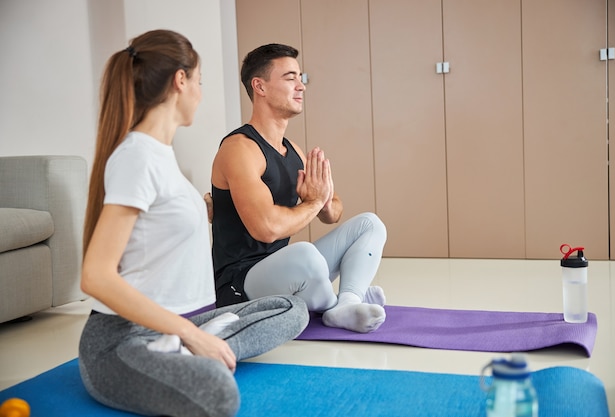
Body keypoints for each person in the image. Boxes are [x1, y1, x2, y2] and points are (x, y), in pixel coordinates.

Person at [78, 31, 309, 417]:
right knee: (218, 393)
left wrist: (208, 204)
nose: (201, 93)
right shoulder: (138, 156)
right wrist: (189, 334)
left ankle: (192, 349)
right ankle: (193, 350)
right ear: (180, 81)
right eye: (199, 82)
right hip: (123, 342)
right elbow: (96, 277)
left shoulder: (160, 154)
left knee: (291, 308)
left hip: (178, 324)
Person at [210, 43, 387, 334]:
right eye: (290, 77)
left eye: (300, 78)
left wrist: (323, 201)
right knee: (304, 255)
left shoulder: (292, 149)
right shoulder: (239, 149)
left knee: (370, 224)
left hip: (287, 272)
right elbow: (266, 228)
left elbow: (333, 212)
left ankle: (347, 301)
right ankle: (335, 304)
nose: (301, 86)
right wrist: (313, 203)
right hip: (240, 285)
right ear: (260, 86)